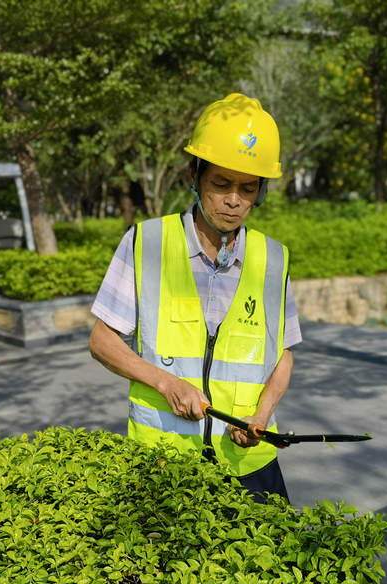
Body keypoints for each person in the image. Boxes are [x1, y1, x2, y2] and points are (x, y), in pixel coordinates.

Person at [89, 93, 301, 502]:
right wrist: (167, 383)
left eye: (248, 187)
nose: (234, 200)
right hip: (163, 467)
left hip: (248, 467)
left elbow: (283, 355)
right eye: (221, 184)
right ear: (194, 173)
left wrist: (260, 417)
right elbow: (102, 340)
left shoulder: (273, 259)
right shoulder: (146, 243)